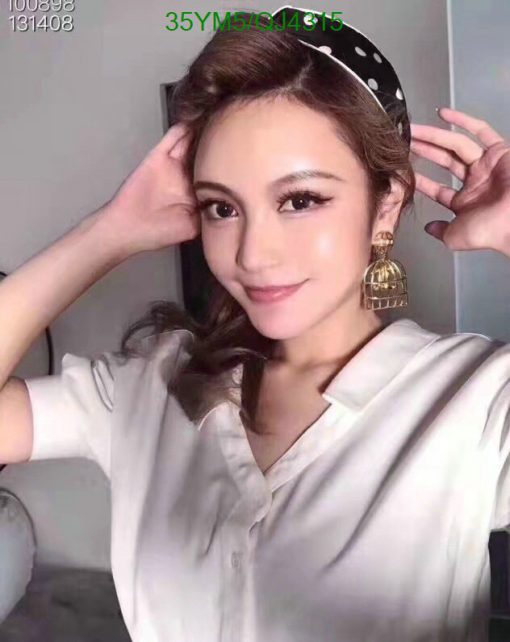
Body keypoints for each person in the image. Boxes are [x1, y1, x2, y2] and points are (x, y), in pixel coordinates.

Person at [1, 7, 510, 642]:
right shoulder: (151, 385)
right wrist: (108, 233)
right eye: (221, 207)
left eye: (300, 200)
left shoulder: (476, 401)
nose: (251, 254)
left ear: (386, 208)